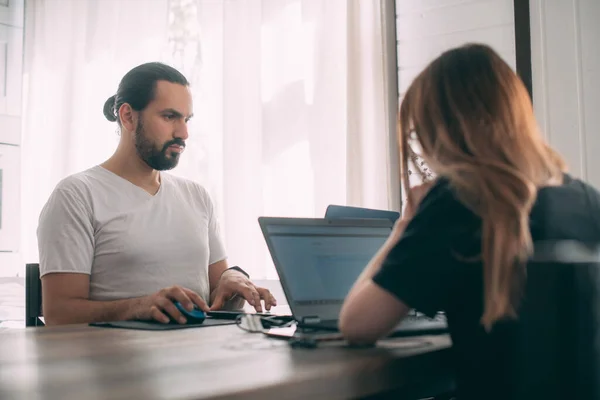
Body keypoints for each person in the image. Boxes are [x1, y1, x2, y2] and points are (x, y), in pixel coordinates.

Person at [338, 44, 600, 398]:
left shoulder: (460, 198)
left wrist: (405, 226)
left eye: (419, 134)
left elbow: (358, 324)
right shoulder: (585, 198)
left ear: (442, 129)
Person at [37, 62, 276, 326]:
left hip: (201, 356)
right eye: (169, 116)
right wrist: (139, 306)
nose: (183, 133)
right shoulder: (76, 196)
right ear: (127, 116)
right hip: (115, 362)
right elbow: (59, 315)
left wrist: (232, 280)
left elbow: (218, 290)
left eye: (187, 119)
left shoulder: (197, 196)